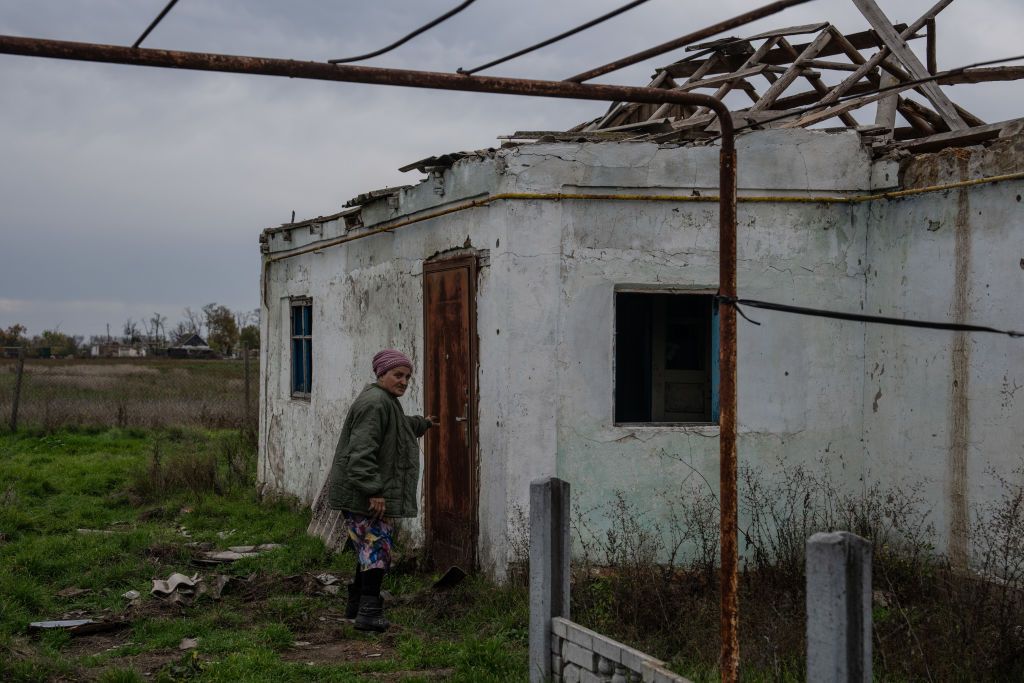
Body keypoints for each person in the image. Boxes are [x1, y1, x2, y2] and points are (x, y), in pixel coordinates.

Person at [327, 349, 437, 632]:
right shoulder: (375, 403)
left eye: (407, 377)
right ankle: (369, 614)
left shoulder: (385, 401)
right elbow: (361, 453)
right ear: (381, 374)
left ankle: (356, 607)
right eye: (397, 375)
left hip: (362, 492)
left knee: (368, 547)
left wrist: (422, 424)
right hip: (364, 494)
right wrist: (374, 491)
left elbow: (397, 427)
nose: (403, 381)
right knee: (376, 548)